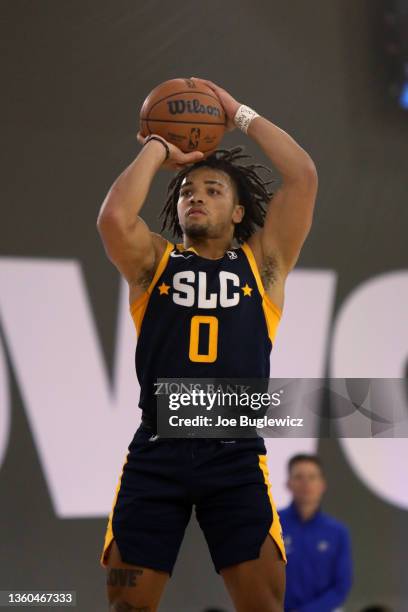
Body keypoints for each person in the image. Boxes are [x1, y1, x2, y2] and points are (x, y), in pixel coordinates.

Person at [97, 77, 318, 612]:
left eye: (214, 190)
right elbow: (113, 219)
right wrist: (157, 144)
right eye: (188, 192)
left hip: (234, 454)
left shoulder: (262, 266)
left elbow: (302, 176)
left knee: (265, 606)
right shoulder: (156, 264)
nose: (196, 195)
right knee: (127, 607)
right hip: (157, 449)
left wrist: (236, 111)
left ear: (239, 212)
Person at [279, 454, 353, 612]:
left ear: (322, 484)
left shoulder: (337, 532)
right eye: (299, 477)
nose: (305, 484)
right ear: (288, 484)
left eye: (312, 477)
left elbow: (341, 586)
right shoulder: (273, 526)